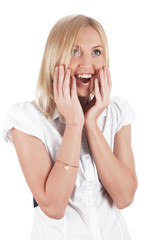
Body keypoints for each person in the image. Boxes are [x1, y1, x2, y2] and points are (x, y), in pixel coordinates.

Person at [2, 14, 138, 240]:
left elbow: (124, 197)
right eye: (75, 51)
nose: (87, 64)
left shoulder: (118, 113)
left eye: (96, 52)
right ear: (55, 59)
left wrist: (91, 123)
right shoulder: (28, 119)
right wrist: (75, 124)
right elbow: (54, 206)